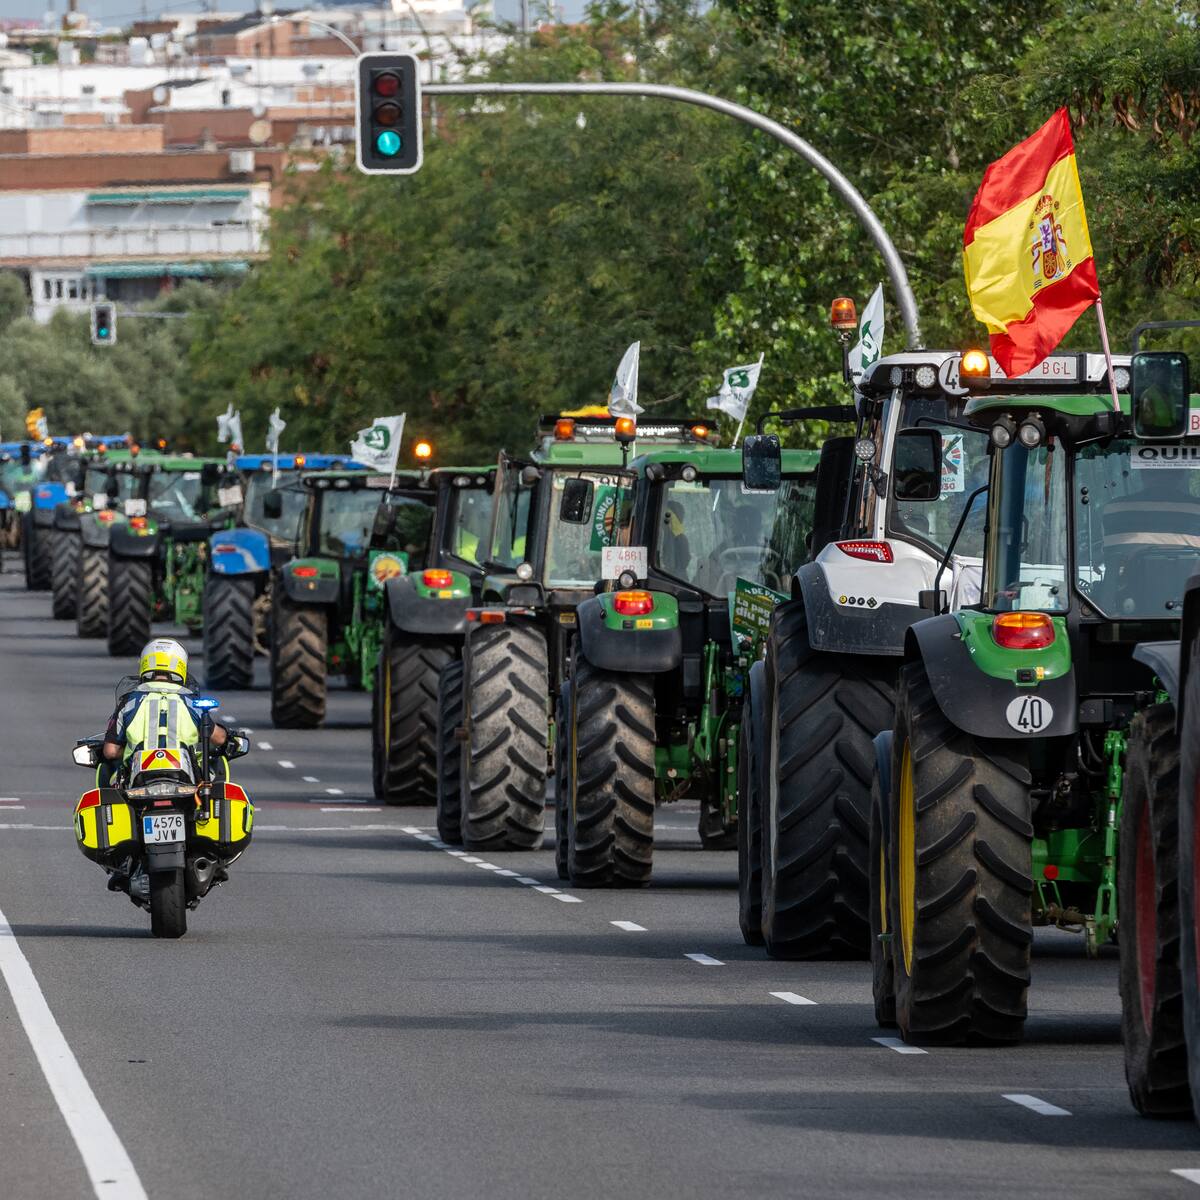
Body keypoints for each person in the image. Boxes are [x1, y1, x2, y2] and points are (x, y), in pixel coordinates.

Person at [101, 638, 227, 781]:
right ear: (181, 666)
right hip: (186, 780)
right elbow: (219, 738)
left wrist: (130, 750)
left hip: (139, 780)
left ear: (144, 664)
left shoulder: (129, 701)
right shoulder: (191, 701)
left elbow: (110, 751)